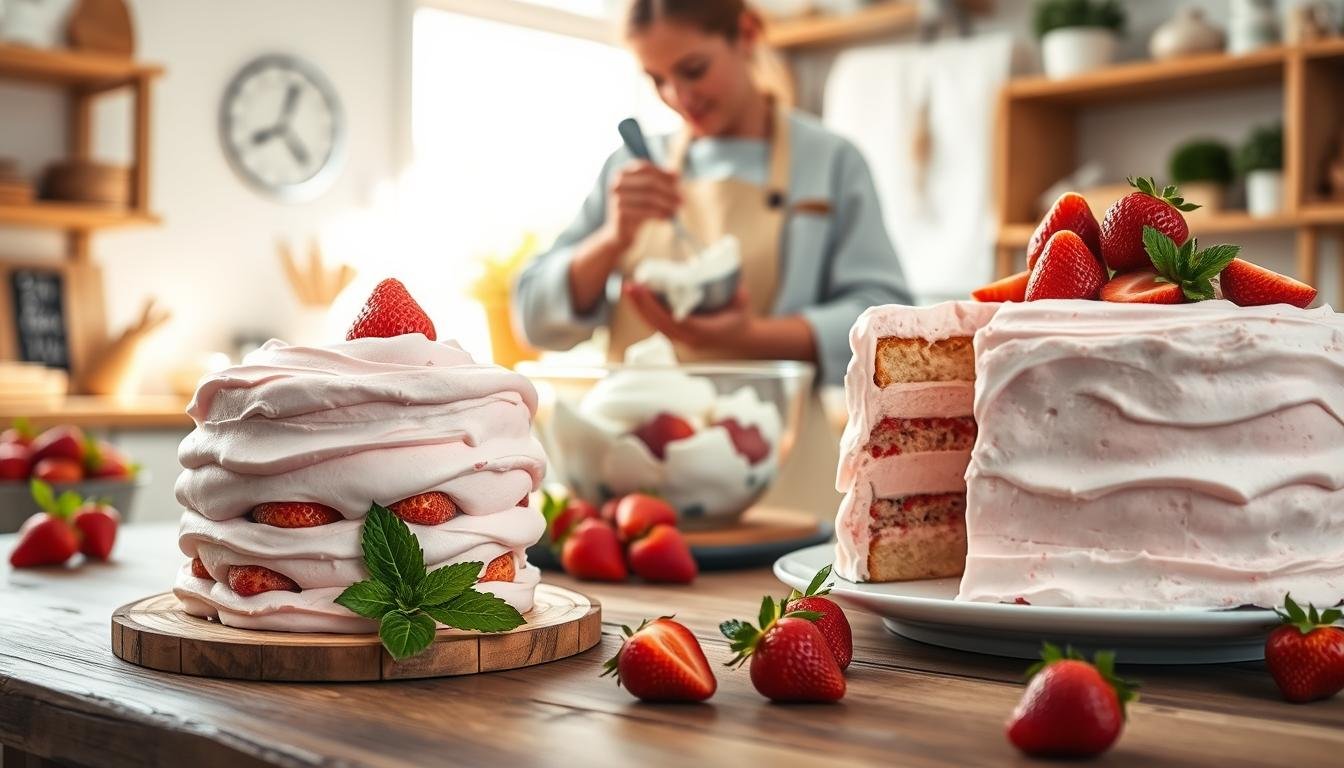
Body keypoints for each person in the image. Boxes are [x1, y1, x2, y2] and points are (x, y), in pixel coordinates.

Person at [513, 0, 911, 388]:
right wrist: (611, 239)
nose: (678, 97)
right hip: (634, 432)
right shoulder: (631, 165)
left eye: (694, 70)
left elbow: (886, 330)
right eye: (657, 79)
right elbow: (531, 319)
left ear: (746, 34)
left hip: (780, 429)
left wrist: (750, 337)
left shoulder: (830, 160)